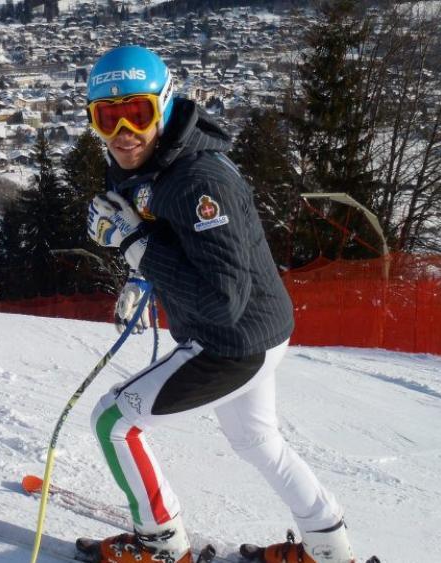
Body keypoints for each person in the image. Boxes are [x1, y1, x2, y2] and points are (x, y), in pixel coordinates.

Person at [81, 46, 359, 563]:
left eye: (137, 113)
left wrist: (133, 245)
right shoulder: (159, 163)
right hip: (261, 331)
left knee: (112, 422)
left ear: (163, 105)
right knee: (257, 442)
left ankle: (160, 545)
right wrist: (144, 272)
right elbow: (184, 246)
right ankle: (329, 549)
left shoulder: (197, 181)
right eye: (107, 117)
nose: (123, 131)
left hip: (229, 342)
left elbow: (219, 300)